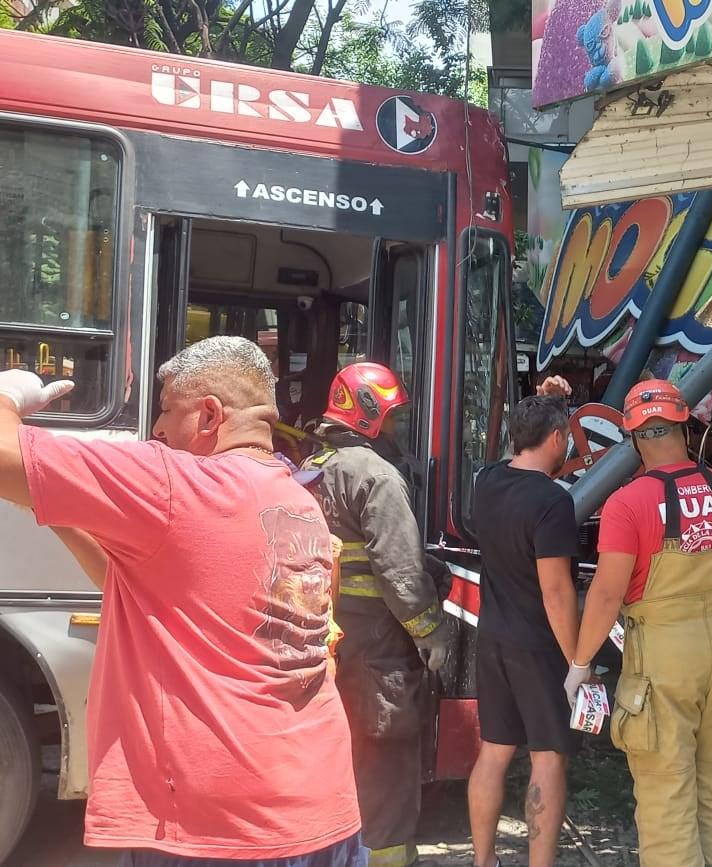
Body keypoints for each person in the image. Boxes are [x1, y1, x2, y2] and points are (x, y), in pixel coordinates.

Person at [0, 336, 365, 866]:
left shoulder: (179, 483)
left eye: (168, 410)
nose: (157, 429)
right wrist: (61, 505)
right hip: (320, 809)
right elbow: (137, 587)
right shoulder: (294, 497)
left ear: (210, 415)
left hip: (217, 832)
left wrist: (9, 400)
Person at [564, 379, 712, 867]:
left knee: (667, 791)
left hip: (664, 663)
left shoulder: (628, 504)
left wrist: (580, 663)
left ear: (632, 439)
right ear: (685, 429)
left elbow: (607, 593)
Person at [294, 362, 452, 867]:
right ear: (367, 415)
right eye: (392, 416)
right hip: (379, 658)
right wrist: (433, 633)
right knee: (384, 779)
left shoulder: (312, 465)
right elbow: (400, 573)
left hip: (325, 646)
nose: (397, 428)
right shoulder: (378, 476)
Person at [467, 381, 579, 867]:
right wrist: (579, 658)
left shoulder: (486, 481)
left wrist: (537, 401)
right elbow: (556, 591)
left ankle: (484, 860)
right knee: (548, 756)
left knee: (493, 751)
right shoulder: (553, 502)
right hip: (538, 647)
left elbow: (515, 461)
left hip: (490, 637)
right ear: (557, 438)